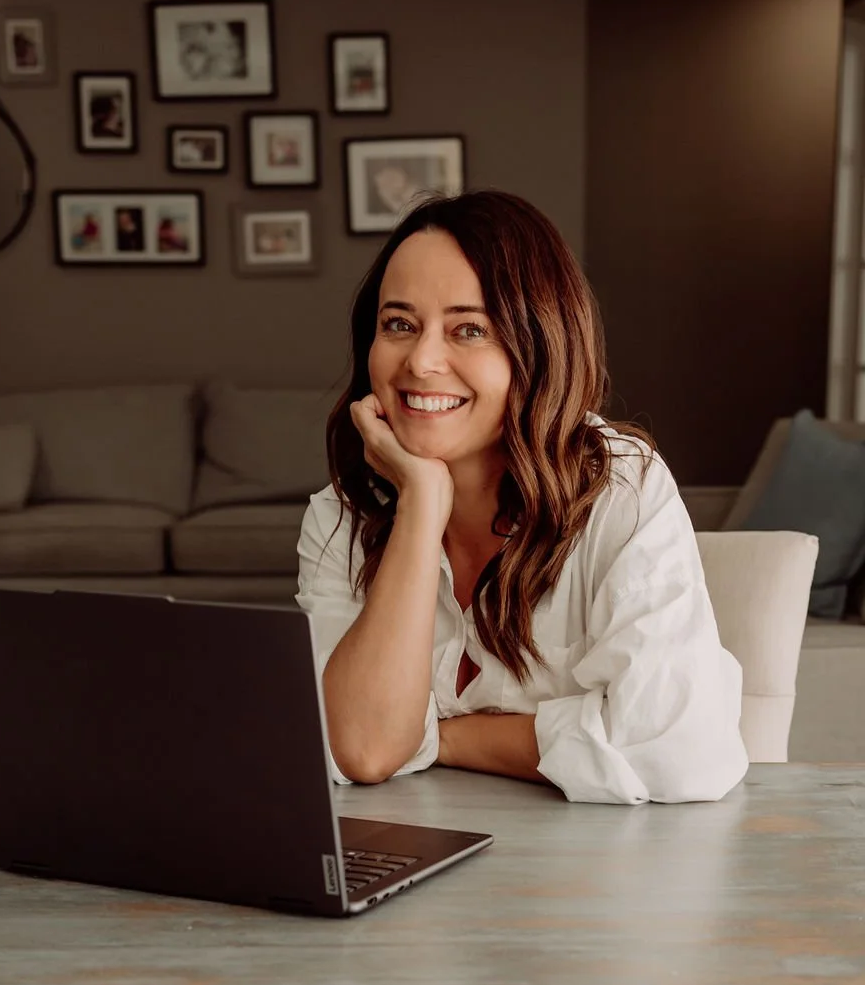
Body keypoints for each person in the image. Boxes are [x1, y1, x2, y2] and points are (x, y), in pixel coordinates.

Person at [295, 190, 748, 804]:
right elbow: (363, 747)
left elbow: (678, 751)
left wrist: (437, 739)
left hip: (600, 875)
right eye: (398, 324)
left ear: (537, 346)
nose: (422, 360)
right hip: (408, 857)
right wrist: (423, 503)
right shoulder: (340, 513)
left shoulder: (619, 491)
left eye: (470, 329)